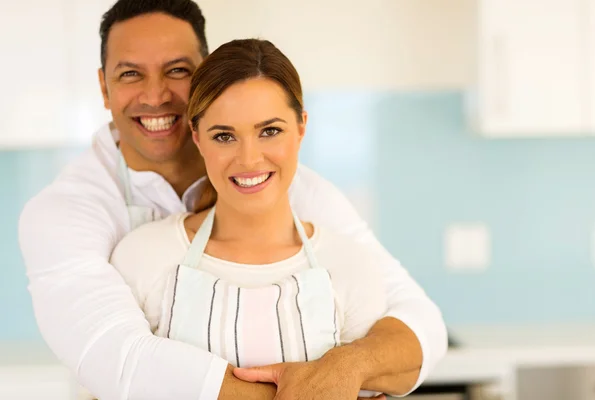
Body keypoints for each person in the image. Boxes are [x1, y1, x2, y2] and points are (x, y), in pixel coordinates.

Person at [17, 1, 448, 399]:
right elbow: (117, 356)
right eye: (130, 73)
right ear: (104, 88)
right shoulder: (65, 214)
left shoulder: (297, 191)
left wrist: (348, 367)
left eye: (178, 70)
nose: (155, 95)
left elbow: (417, 320)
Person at [108, 37, 394, 400]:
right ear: (197, 138)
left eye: (270, 131)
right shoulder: (143, 256)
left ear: (301, 127)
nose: (249, 159)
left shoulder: (349, 266)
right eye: (224, 136)